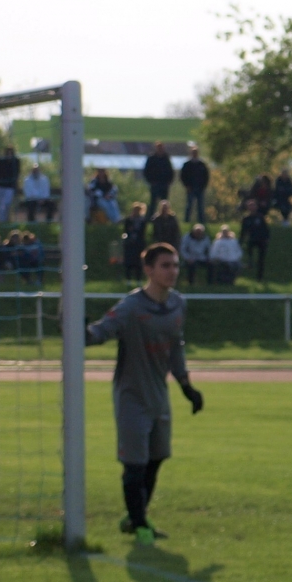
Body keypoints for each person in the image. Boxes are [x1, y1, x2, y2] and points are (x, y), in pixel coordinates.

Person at [84, 242, 205, 545]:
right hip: (131, 396)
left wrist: (187, 387)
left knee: (157, 458)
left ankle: (134, 517)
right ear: (148, 270)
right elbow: (101, 332)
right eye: (165, 265)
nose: (172, 271)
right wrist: (81, 329)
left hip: (158, 395)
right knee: (134, 465)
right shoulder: (130, 307)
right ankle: (140, 526)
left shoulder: (178, 304)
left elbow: (175, 347)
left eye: (175, 265)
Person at [142, 142, 175, 216]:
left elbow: (170, 170)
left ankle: (164, 216)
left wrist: (169, 181)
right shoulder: (151, 158)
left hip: (164, 184)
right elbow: (146, 171)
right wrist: (150, 181)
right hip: (155, 183)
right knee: (153, 202)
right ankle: (151, 217)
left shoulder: (166, 158)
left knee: (164, 202)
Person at [240, 203, 271, 281]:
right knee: (249, 253)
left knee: (261, 259)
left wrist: (267, 238)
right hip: (251, 239)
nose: (252, 208)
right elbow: (243, 231)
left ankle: (260, 277)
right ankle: (250, 264)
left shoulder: (260, 217)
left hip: (261, 240)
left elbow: (265, 228)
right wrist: (241, 241)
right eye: (250, 206)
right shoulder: (246, 219)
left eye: (253, 206)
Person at [179, 145, 210, 223]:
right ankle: (186, 221)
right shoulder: (187, 164)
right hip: (190, 188)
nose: (195, 154)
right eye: (193, 152)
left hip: (200, 188)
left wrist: (203, 186)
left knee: (200, 207)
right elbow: (183, 176)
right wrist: (186, 186)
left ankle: (201, 222)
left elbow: (206, 176)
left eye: (196, 152)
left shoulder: (202, 164)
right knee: (189, 206)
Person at [120, 202, 150, 281]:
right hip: (129, 243)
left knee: (139, 262)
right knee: (128, 261)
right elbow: (125, 231)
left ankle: (138, 278)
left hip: (139, 244)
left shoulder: (142, 221)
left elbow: (142, 232)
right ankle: (128, 279)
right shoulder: (129, 220)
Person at [0, 145, 20, 224]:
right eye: (8, 153)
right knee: (1, 205)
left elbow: (17, 174)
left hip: (10, 187)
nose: (9, 155)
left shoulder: (15, 162)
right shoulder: (1, 161)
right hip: (0, 186)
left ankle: (5, 220)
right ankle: (1, 221)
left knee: (7, 204)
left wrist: (15, 184)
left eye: (11, 153)